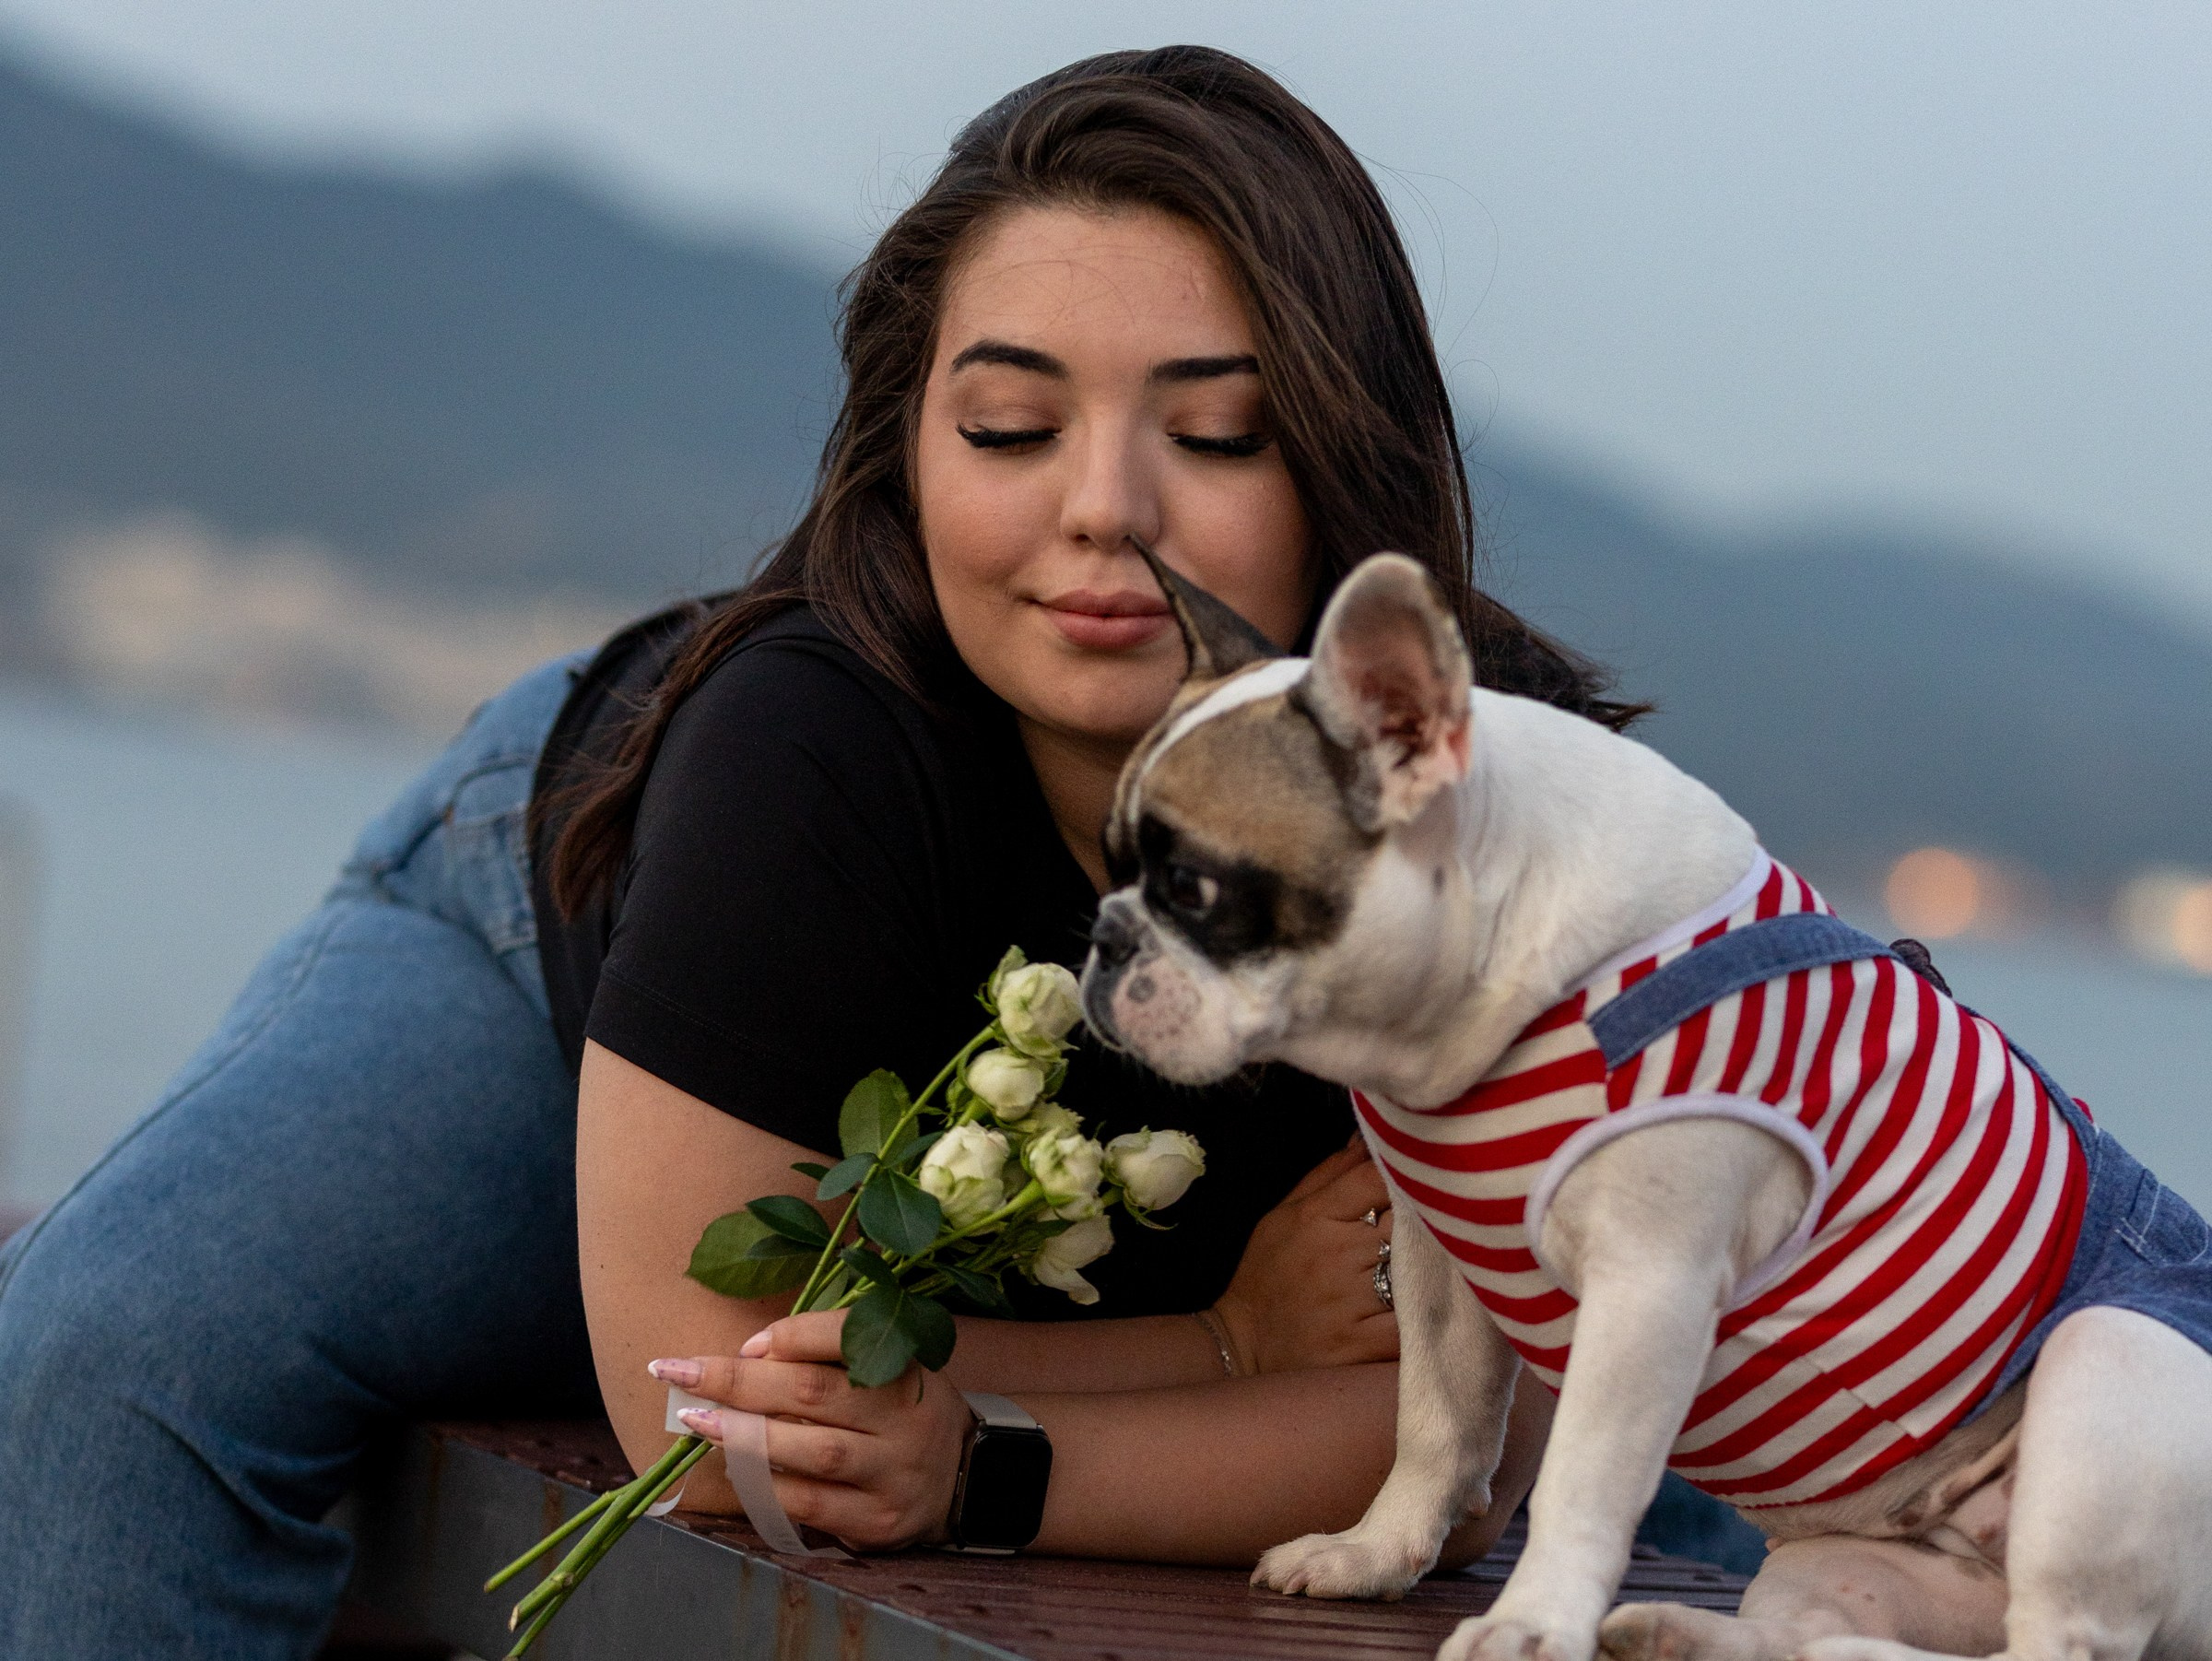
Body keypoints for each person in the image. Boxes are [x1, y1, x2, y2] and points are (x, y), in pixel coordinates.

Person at [0, 45, 1729, 1658]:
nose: (1105, 506)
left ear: (1345, 458)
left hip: (883, 1230)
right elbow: (704, 1412)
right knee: (112, 1354)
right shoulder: (801, 754)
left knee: (1750, 1509)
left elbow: (1487, 1444)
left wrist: (995, 1439)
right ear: (907, 449)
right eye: (1008, 425)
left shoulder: (1488, 812)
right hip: (562, 927)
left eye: (1213, 431)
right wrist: (1219, 1354)